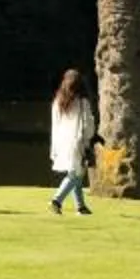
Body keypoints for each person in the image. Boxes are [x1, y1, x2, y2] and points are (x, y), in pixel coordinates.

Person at [47, 68, 97, 215]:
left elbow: (55, 126)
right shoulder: (82, 103)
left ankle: (81, 207)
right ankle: (56, 200)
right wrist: (90, 138)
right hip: (77, 142)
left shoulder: (57, 102)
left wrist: (54, 148)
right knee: (76, 174)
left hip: (61, 142)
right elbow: (88, 125)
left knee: (75, 173)